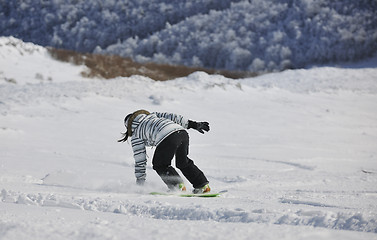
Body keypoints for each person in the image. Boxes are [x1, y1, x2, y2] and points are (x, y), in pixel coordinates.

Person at [118, 109, 211, 193]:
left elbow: (140, 160)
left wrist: (140, 181)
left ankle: (176, 186)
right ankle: (202, 185)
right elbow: (174, 117)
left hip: (167, 137)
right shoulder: (153, 115)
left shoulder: (136, 134)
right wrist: (193, 124)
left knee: (160, 165)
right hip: (182, 133)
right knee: (183, 162)